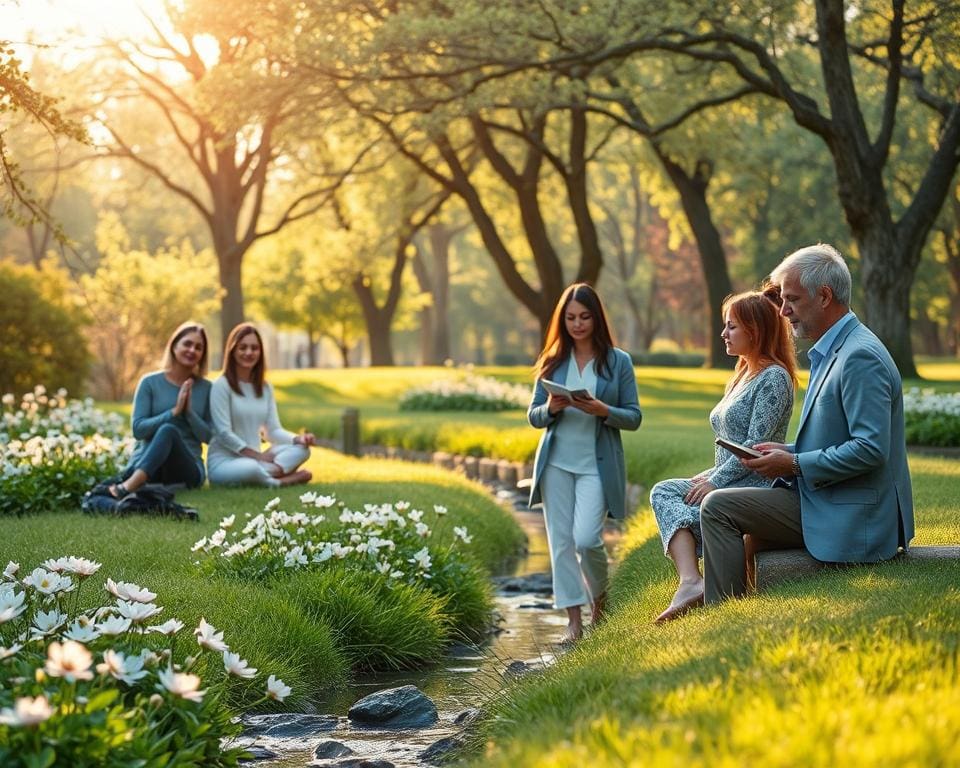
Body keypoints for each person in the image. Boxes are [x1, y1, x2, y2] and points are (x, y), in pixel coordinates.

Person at [700, 243, 915, 604]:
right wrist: (788, 451)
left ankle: (720, 612)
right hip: (830, 496)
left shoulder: (859, 355)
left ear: (824, 297)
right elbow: (840, 437)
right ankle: (736, 604)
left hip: (854, 513)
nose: (783, 311)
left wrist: (795, 464)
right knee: (743, 512)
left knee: (718, 506)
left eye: (792, 300)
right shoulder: (835, 347)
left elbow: (871, 449)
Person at [649, 290, 798, 622]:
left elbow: (753, 447)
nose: (723, 334)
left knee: (682, 496)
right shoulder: (742, 373)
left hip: (755, 483)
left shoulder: (773, 378)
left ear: (755, 330)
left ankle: (702, 586)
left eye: (731, 327)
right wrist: (707, 477)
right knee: (664, 491)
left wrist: (714, 481)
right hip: (729, 474)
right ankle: (690, 581)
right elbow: (728, 447)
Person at [527, 283, 642, 644]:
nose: (578, 324)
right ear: (563, 321)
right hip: (556, 464)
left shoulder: (618, 362)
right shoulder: (552, 362)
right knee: (561, 544)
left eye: (585, 317)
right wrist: (552, 408)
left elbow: (634, 417)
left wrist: (602, 410)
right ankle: (574, 622)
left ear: (596, 318)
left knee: (586, 538)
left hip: (596, 463)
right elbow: (533, 415)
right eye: (571, 318)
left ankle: (600, 596)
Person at [110, 321, 213, 497]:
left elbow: (209, 437)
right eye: (187, 344)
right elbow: (138, 430)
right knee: (167, 429)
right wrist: (173, 412)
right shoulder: (149, 383)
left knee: (169, 431)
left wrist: (187, 412)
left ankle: (129, 486)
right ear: (174, 346)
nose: (192, 350)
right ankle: (144, 482)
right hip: (148, 462)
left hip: (188, 471)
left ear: (202, 354)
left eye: (198, 347)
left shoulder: (207, 388)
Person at [207, 323, 316, 487]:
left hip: (258, 460)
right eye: (242, 347)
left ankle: (266, 475)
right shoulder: (221, 386)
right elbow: (224, 433)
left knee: (302, 450)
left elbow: (272, 431)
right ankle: (282, 481)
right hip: (226, 462)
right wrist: (258, 457)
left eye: (254, 348)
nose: (249, 352)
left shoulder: (265, 387)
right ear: (232, 351)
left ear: (260, 352)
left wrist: (298, 439)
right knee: (250, 468)